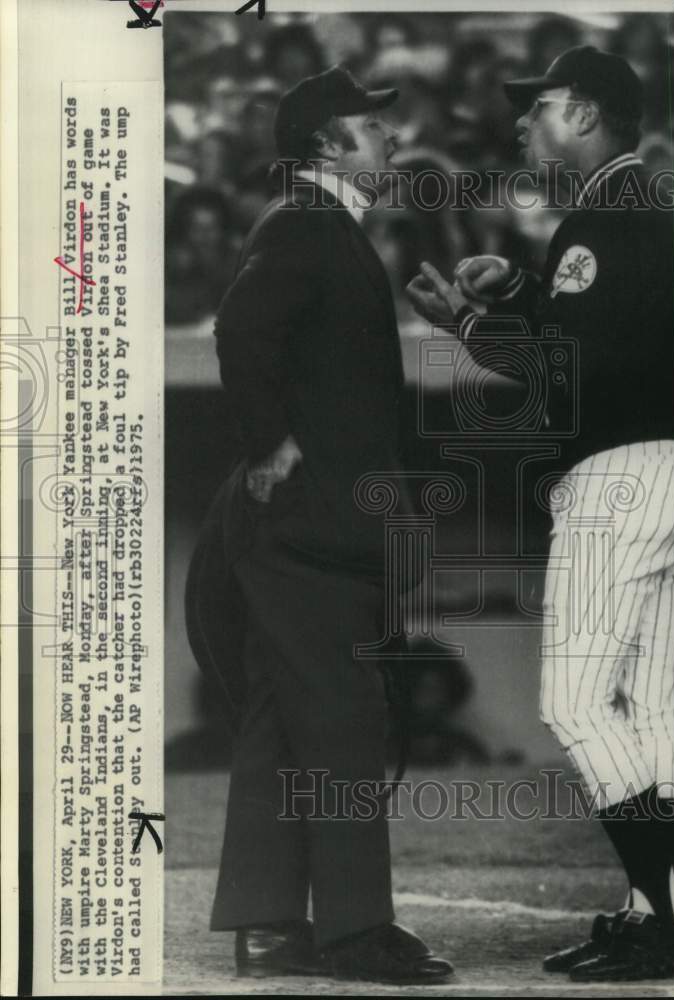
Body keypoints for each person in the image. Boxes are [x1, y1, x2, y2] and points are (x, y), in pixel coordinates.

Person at [406, 45, 674, 983]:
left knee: (574, 702)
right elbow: (600, 343)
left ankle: (655, 915)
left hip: (615, 476)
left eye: (535, 109)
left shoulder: (599, 212)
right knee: (647, 702)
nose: (520, 125)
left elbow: (563, 380)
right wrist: (527, 294)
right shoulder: (643, 207)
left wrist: (463, 326)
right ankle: (662, 914)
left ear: (582, 114)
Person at [185, 66, 453, 985]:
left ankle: (266, 927)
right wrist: (271, 445)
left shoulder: (322, 226)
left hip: (304, 524)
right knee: (343, 717)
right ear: (327, 147)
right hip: (305, 524)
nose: (388, 140)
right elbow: (238, 332)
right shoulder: (306, 223)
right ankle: (352, 933)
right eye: (370, 129)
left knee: (278, 719)